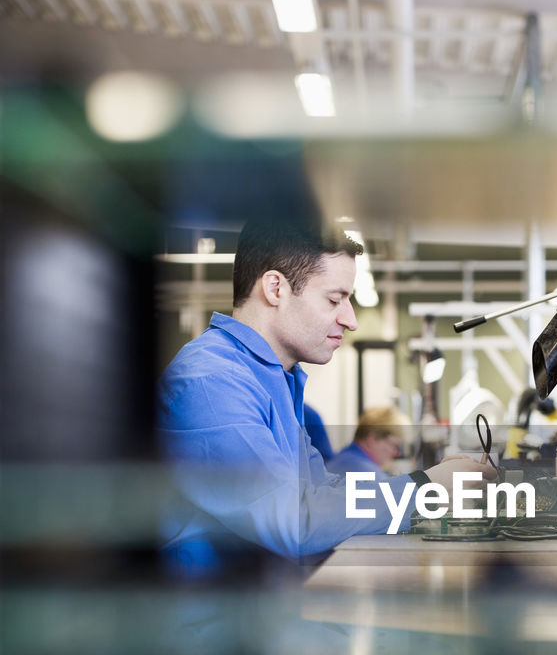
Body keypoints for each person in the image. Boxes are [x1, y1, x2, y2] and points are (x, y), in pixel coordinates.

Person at [158, 216, 492, 575]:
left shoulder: (274, 379)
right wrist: (424, 489)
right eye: (335, 299)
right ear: (275, 289)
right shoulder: (212, 382)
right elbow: (295, 520)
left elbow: (322, 492)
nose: (351, 320)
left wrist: (432, 478)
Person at [326, 405, 409, 478]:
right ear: (372, 439)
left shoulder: (335, 460)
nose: (396, 453)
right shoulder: (372, 477)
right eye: (394, 445)